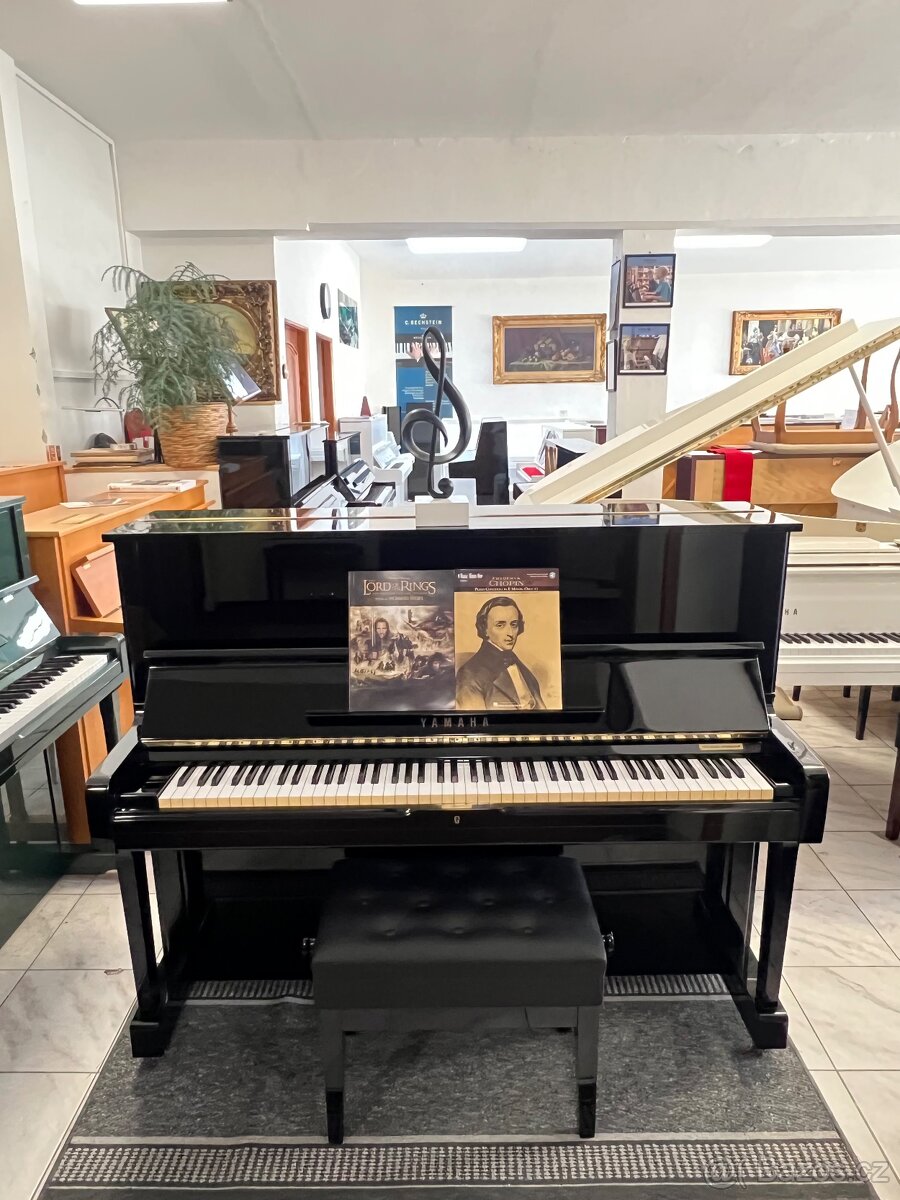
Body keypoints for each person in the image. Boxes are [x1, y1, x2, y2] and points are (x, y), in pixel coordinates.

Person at [456, 596, 544, 711]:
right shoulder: (468, 674)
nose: (510, 633)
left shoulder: (515, 661)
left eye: (514, 624)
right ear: (485, 629)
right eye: (500, 625)